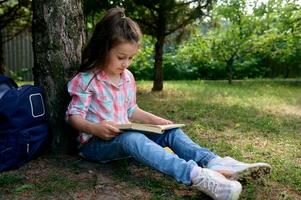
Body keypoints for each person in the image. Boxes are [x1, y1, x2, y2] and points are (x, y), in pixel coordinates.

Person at [66, 7, 271, 200]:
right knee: (133, 139)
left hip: (124, 137)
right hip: (95, 145)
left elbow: (131, 110)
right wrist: (94, 128)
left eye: (131, 58)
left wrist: (158, 121)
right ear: (104, 49)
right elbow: (73, 116)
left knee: (169, 132)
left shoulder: (127, 77)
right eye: (121, 57)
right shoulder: (86, 80)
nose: (126, 64)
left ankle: (215, 162)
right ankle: (197, 176)